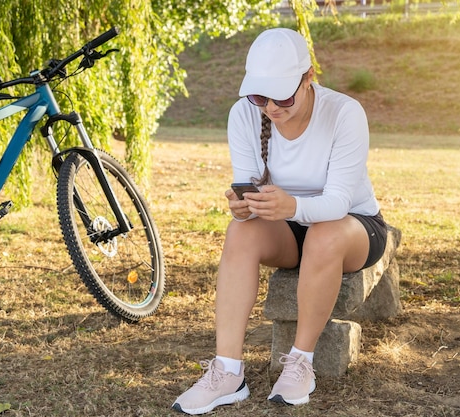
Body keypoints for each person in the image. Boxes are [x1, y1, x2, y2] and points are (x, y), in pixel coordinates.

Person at [171, 27, 387, 415]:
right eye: (259, 95)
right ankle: (227, 371)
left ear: (308, 78)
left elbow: (337, 201)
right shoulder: (244, 114)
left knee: (323, 234)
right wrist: (245, 206)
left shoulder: (344, 113)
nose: (270, 106)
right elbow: (250, 184)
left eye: (282, 95)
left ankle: (301, 361)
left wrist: (292, 208)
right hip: (287, 224)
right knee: (240, 231)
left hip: (352, 226)